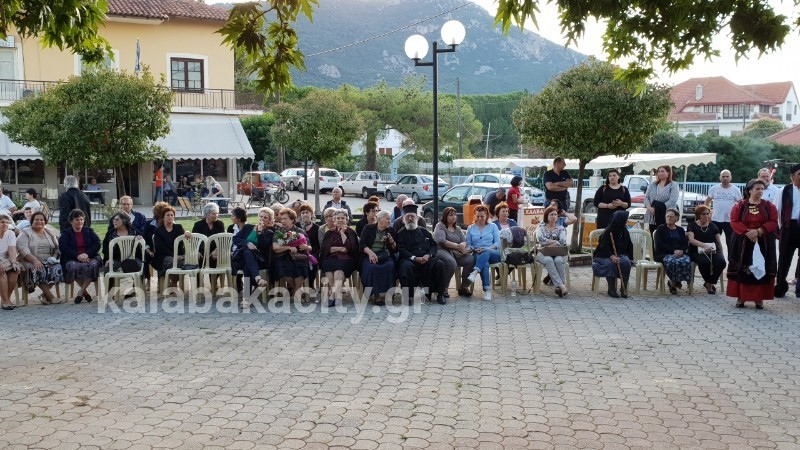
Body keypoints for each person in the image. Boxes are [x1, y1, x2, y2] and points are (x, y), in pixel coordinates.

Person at [727, 179, 779, 308]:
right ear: (750, 190)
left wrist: (759, 231)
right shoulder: (739, 205)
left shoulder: (769, 206)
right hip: (743, 241)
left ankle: (758, 298)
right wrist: (748, 232)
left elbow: (773, 221)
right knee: (743, 268)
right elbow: (734, 221)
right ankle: (741, 297)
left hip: (763, 242)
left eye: (762, 189)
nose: (760, 191)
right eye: (757, 189)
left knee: (760, 267)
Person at [396, 204, 448, 304]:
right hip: (410, 260)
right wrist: (414, 258)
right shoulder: (401, 233)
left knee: (440, 265)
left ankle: (440, 294)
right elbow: (401, 249)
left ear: (417, 218)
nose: (410, 219)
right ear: (403, 219)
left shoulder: (424, 231)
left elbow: (433, 245)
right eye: (407, 216)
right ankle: (408, 296)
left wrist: (429, 255)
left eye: (412, 216)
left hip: (426, 259)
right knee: (405, 267)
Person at [17, 212, 62, 304]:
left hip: (48, 260)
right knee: (39, 269)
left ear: (45, 221)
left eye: (41, 220)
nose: (39, 221)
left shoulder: (50, 232)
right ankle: (50, 296)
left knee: (59, 268)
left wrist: (54, 258)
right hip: (29, 260)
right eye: (36, 219)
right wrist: (35, 260)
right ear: (32, 221)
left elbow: (57, 248)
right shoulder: (25, 232)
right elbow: (22, 248)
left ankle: (44, 295)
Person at [59, 209, 103, 303]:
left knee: (93, 265)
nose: (80, 221)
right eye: (77, 219)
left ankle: (81, 291)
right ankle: (85, 292)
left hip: (90, 257)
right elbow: (63, 248)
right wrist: (77, 256)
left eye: (81, 219)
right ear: (71, 221)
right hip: (72, 258)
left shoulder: (89, 231)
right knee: (73, 267)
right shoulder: (66, 233)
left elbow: (97, 243)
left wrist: (87, 254)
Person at [320, 209, 359, 307]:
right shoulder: (329, 233)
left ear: (347, 219)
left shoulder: (351, 232)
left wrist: (342, 233)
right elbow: (325, 249)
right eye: (338, 218)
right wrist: (340, 248)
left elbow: (351, 248)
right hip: (330, 258)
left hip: (347, 259)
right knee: (329, 273)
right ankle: (337, 296)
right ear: (334, 219)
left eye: (343, 218)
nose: (340, 220)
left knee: (339, 272)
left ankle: (332, 296)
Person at [232, 208, 273, 301]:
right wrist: (247, 243)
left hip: (259, 260)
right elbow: (235, 239)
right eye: (261, 216)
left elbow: (264, 246)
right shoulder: (248, 227)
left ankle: (246, 299)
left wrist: (260, 232)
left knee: (247, 265)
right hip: (241, 259)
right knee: (247, 253)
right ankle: (258, 278)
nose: (262, 219)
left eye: (265, 218)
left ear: (269, 220)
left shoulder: (269, 233)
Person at [434, 207, 475, 297]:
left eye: (454, 215)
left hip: (457, 252)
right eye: (450, 215)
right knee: (451, 262)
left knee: (471, 259)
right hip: (442, 250)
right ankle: (444, 288)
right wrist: (457, 246)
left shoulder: (458, 228)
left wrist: (462, 245)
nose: (453, 217)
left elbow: (464, 241)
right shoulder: (440, 226)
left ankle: (464, 287)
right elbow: (441, 241)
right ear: (445, 216)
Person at [592, 210, 633, 298]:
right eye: (626, 219)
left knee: (626, 262)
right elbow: (603, 247)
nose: (627, 221)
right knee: (610, 264)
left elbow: (629, 246)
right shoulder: (608, 231)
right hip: (603, 256)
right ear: (620, 220)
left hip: (619, 254)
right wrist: (612, 256)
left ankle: (623, 288)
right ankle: (611, 289)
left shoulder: (624, 231)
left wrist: (630, 258)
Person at [686, 205, 726, 294]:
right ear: (698, 215)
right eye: (703, 214)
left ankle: (709, 282)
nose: (706, 216)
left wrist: (721, 254)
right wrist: (704, 246)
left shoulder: (713, 226)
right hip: (697, 251)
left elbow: (718, 242)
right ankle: (709, 284)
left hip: (712, 250)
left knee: (721, 262)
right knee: (704, 262)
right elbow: (691, 240)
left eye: (708, 214)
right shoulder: (692, 225)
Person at [272, 208, 312, 297]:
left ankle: (296, 292)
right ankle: (297, 291)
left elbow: (310, 247)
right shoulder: (279, 232)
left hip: (298, 256)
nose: (283, 221)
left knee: (300, 269)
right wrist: (288, 247)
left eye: (285, 219)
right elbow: (275, 248)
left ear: (292, 220)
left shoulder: (300, 231)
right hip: (283, 257)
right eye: (281, 219)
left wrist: (306, 247)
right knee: (285, 270)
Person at [465, 205, 502, 301]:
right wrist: (474, 249)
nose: (480, 219)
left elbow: (497, 243)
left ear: (486, 216)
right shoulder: (470, 228)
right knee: (484, 263)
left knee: (486, 251)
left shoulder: (493, 226)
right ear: (475, 216)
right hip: (478, 253)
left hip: (493, 253)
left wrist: (486, 249)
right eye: (477, 216)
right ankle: (487, 290)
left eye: (482, 216)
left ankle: (475, 272)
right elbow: (468, 245)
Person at [102, 211, 144, 294]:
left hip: (132, 259)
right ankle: (110, 292)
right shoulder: (110, 233)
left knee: (139, 265)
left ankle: (135, 290)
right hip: (116, 259)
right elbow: (105, 249)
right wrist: (108, 259)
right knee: (109, 267)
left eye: (117, 219)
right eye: (114, 220)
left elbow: (141, 248)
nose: (114, 221)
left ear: (124, 221)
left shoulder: (134, 232)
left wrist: (140, 239)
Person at [151, 206, 192, 289]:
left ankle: (173, 282)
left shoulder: (178, 227)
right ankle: (173, 282)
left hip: (180, 255)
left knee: (189, 261)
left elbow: (184, 238)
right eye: (167, 215)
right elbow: (160, 248)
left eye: (172, 215)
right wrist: (175, 256)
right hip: (163, 257)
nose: (170, 217)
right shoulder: (158, 231)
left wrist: (187, 232)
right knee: (174, 262)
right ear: (163, 217)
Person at [775, 164, 800, 298]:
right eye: (799, 174)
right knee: (784, 258)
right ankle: (780, 287)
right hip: (788, 227)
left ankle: (799, 289)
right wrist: (781, 228)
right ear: (792, 177)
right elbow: (776, 209)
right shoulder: (784, 190)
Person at [654, 208, 691, 295]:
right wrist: (673, 251)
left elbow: (685, 243)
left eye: (671, 216)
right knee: (672, 261)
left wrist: (682, 251)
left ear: (676, 218)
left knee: (686, 261)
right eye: (667, 216)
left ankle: (674, 281)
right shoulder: (660, 229)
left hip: (680, 253)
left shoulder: (680, 230)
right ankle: (674, 282)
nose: (669, 218)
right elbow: (659, 244)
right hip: (664, 253)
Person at [534, 205, 569, 297]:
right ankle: (561, 285)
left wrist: (550, 244)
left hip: (559, 252)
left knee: (558, 260)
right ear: (546, 216)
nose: (554, 216)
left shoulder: (561, 228)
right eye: (551, 214)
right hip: (543, 253)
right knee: (549, 260)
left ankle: (558, 287)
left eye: (555, 214)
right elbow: (541, 240)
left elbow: (562, 242)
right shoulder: (540, 227)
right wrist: (555, 242)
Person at [705, 169, 742, 248]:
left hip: (730, 220)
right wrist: (708, 215)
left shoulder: (736, 189)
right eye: (723, 176)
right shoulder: (714, 188)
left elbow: (741, 204)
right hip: (716, 219)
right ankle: (716, 255)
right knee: (714, 240)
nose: (725, 178)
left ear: (730, 178)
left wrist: (737, 216)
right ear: (720, 178)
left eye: (727, 176)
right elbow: (707, 203)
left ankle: (731, 256)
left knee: (730, 242)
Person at [644, 165, 679, 234]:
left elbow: (673, 200)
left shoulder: (673, 185)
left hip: (666, 215)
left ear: (668, 173)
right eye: (659, 171)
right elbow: (646, 198)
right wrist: (649, 208)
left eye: (662, 171)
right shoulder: (653, 184)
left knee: (665, 235)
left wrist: (658, 209)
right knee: (653, 234)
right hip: (652, 215)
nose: (660, 173)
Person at [192, 203, 225, 268]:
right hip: (201, 251)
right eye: (214, 213)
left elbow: (223, 240)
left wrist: (217, 250)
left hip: (216, 251)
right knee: (197, 258)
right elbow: (193, 241)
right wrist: (196, 251)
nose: (216, 215)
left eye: (217, 213)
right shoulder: (198, 225)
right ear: (207, 214)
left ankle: (214, 275)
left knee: (217, 258)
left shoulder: (220, 224)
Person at [0, 214, 21, 310]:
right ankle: (5, 301)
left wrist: (13, 262)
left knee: (15, 270)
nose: (5, 224)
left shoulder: (10, 233)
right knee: (2, 272)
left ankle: (6, 298)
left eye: (7, 223)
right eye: (2, 222)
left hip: (5, 258)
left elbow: (12, 249)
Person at [298, 203, 320, 288]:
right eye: (303, 213)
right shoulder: (297, 226)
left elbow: (318, 245)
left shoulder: (317, 228)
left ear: (312, 214)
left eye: (307, 212)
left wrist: (308, 249)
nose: (305, 214)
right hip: (298, 252)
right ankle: (296, 286)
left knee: (312, 261)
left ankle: (310, 284)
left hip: (312, 251)